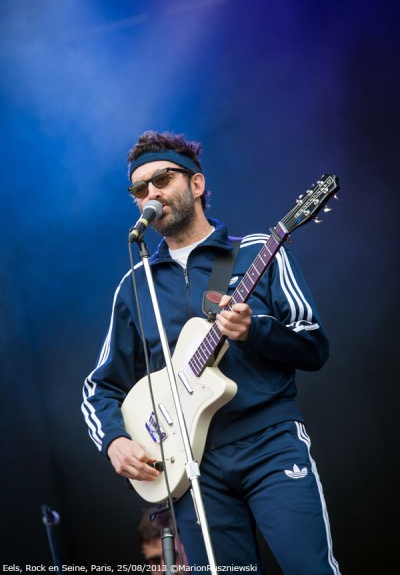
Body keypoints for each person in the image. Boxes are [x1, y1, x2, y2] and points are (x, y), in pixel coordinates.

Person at [82, 131, 341, 574]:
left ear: (196, 184)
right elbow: (99, 386)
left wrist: (254, 332)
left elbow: (314, 345)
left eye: (162, 179)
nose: (152, 194)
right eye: (139, 189)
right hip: (193, 472)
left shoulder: (259, 250)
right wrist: (114, 441)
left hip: (271, 447)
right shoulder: (134, 287)